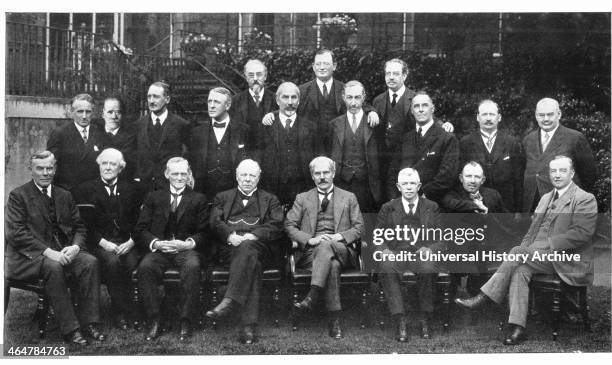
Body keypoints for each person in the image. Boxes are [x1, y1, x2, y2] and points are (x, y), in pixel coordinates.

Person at [456, 156, 598, 345]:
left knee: (517, 252)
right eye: (553, 171)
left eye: (562, 171)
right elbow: (531, 233)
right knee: (520, 270)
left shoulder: (584, 199)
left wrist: (545, 245)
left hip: (567, 260)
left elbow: (582, 234)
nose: (556, 175)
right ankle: (518, 327)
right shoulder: (546, 198)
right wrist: (527, 248)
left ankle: (484, 297)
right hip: (540, 257)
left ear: (571, 173)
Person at [5, 151, 105, 345]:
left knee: (90, 262)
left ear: (55, 169)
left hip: (64, 251)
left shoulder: (64, 195)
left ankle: (90, 322)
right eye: (40, 168)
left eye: (49, 168)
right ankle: (71, 329)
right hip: (30, 257)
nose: (45, 173)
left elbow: (79, 227)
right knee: (53, 266)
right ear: (31, 170)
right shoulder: (18, 196)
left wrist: (75, 247)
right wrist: (49, 252)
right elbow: (16, 234)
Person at [206, 159, 285, 344]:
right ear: (236, 176)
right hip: (229, 249)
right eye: (244, 175)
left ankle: (230, 300)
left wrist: (255, 235)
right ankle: (247, 326)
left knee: (249, 250)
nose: (247, 179)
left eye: (252, 175)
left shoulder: (270, 199)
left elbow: (277, 225)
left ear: (258, 178)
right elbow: (214, 222)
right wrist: (229, 235)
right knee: (252, 265)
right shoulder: (222, 197)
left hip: (259, 247)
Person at [285, 156, 364, 339]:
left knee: (327, 246)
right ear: (312, 176)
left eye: (326, 172)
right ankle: (334, 319)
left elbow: (360, 227)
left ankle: (312, 296)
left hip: (343, 250)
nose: (322, 177)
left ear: (334, 173)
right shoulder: (302, 198)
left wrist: (339, 236)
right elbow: (289, 225)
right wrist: (310, 239)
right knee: (332, 264)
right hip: (311, 254)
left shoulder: (349, 197)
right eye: (317, 173)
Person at [134, 157, 209, 342]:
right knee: (145, 267)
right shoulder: (154, 197)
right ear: (167, 174)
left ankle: (186, 320)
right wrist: (156, 243)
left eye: (184, 173)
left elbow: (206, 232)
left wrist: (188, 243)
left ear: (189, 174)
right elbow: (140, 229)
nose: (179, 177)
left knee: (192, 266)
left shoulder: (199, 199)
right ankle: (155, 319)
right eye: (175, 173)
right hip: (160, 250)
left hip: (186, 250)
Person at [73, 148, 142, 330]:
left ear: (121, 168)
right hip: (99, 243)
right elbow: (84, 225)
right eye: (105, 163)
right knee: (113, 262)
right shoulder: (84, 190)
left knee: (131, 262)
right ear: (99, 165)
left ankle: (132, 310)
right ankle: (121, 312)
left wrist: (131, 242)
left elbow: (142, 221)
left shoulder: (133, 189)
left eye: (113, 164)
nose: (108, 168)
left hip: (128, 243)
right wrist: (104, 243)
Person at [262, 49, 380, 155]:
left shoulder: (344, 89)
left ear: (334, 66)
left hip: (339, 146)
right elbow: (289, 107)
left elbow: (359, 104)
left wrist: (371, 112)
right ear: (313, 67)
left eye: (326, 64)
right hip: (311, 147)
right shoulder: (302, 90)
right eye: (318, 64)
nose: (322, 67)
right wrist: (273, 114)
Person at [376, 168, 446, 342]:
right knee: (386, 266)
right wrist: (385, 251)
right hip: (396, 253)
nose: (408, 187)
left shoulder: (432, 207)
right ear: (398, 187)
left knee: (428, 266)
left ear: (419, 186)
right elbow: (377, 237)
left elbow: (443, 239)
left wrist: (430, 249)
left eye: (412, 183)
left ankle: (424, 318)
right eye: (405, 184)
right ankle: (400, 319)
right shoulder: (388, 207)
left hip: (421, 253)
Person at [441, 161, 508, 297]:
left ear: (483, 180)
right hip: (459, 247)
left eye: (477, 177)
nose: (472, 181)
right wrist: (476, 206)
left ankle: (481, 301)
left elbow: (505, 219)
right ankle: (467, 297)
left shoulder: (493, 195)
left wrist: (488, 212)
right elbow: (451, 204)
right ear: (461, 178)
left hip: (489, 246)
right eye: (468, 176)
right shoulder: (452, 194)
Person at [522, 97, 596, 212]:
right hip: (532, 203)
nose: (546, 119)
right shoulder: (528, 140)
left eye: (550, 114)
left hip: (563, 203)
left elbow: (589, 174)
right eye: (541, 115)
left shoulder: (575, 138)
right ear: (536, 116)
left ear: (559, 114)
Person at [387, 92, 459, 203]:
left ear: (432, 109)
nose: (420, 109)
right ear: (411, 111)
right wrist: (394, 198)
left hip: (432, 201)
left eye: (425, 105)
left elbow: (446, 176)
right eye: (416, 106)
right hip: (402, 202)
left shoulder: (447, 138)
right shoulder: (404, 138)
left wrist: (423, 195)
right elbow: (393, 171)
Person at [255, 82, 316, 207]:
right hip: (272, 188)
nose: (290, 102)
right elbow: (258, 157)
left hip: (302, 188)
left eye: (294, 97)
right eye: (285, 97)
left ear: (299, 101)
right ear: (277, 100)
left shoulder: (311, 127)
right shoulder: (266, 125)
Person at [460, 99, 525, 213]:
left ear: (499, 117)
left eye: (492, 114)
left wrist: (518, 211)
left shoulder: (512, 143)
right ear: (478, 117)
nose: (488, 118)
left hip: (506, 207)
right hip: (474, 206)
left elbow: (518, 179)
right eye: (484, 114)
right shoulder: (466, 142)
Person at [330, 80, 382, 212]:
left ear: (363, 97)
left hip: (368, 186)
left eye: (357, 97)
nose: (353, 102)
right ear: (343, 97)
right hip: (342, 184)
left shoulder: (374, 124)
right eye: (349, 97)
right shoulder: (334, 125)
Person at [189, 87, 251, 198]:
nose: (211, 105)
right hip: (204, 193)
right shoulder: (197, 132)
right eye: (209, 101)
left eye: (216, 102)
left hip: (234, 193)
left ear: (227, 105)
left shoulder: (244, 130)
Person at [133, 81, 192, 192]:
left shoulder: (181, 124)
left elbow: (188, 154)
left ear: (167, 99)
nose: (151, 101)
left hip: (170, 185)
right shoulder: (139, 124)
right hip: (144, 186)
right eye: (149, 97)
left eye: (156, 97)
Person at [47, 93, 106, 191]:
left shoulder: (100, 133)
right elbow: (50, 165)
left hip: (93, 193)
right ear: (72, 112)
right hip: (67, 192)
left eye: (88, 112)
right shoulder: (60, 134)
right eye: (80, 111)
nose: (84, 116)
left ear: (93, 112)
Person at [230, 59, 278, 134]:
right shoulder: (235, 101)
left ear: (265, 76)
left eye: (259, 74)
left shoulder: (276, 99)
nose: (255, 79)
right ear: (246, 78)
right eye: (251, 75)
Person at [99, 96, 136, 181]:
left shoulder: (131, 137)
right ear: (103, 115)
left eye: (118, 112)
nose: (114, 116)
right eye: (110, 112)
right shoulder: (95, 133)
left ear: (122, 115)